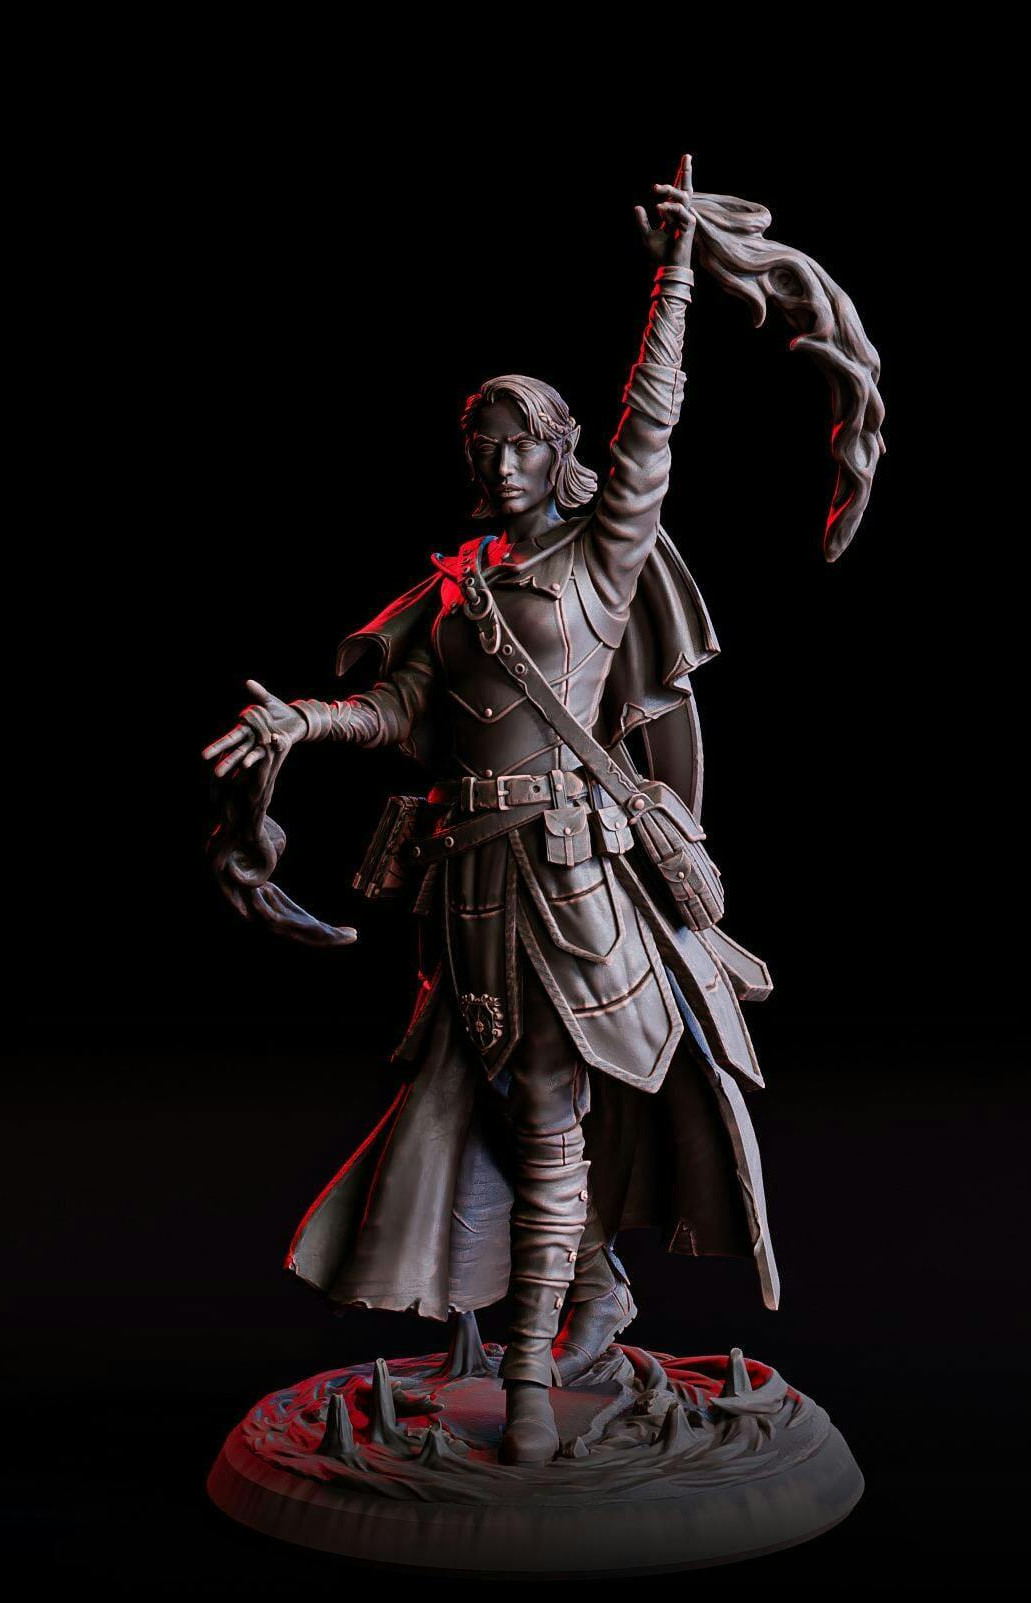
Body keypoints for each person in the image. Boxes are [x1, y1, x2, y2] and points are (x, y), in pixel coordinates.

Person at [203, 156, 779, 1466]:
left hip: (571, 874)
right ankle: (588, 1299)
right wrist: (302, 724)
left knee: (550, 1111)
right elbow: (401, 707)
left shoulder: (601, 554)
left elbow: (653, 427)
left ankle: (526, 1376)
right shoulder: (457, 585)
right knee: (501, 1105)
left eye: (526, 439)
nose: (506, 459)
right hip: (466, 882)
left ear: (561, 449)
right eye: (486, 441)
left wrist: (676, 280)